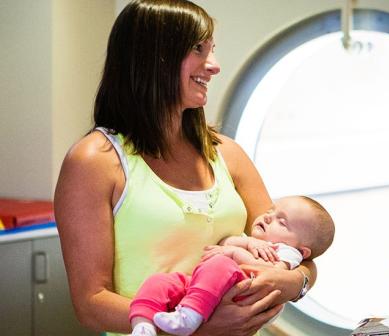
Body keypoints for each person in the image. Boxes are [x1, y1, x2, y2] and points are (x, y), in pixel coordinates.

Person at [54, 1, 317, 335]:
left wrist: (296, 280)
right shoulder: (95, 161)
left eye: (212, 49)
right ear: (153, 57)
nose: (214, 66)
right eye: (198, 49)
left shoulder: (226, 153)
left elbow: (297, 247)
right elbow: (90, 303)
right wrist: (198, 327)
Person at [129, 196, 335, 336]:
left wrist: (237, 253)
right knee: (162, 281)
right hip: (204, 286)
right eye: (271, 211)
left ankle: (190, 316)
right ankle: (143, 324)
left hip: (239, 293)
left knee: (221, 263)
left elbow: (271, 274)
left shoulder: (287, 252)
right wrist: (246, 243)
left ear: (302, 249)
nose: (268, 217)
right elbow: (223, 245)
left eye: (282, 222)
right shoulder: (254, 241)